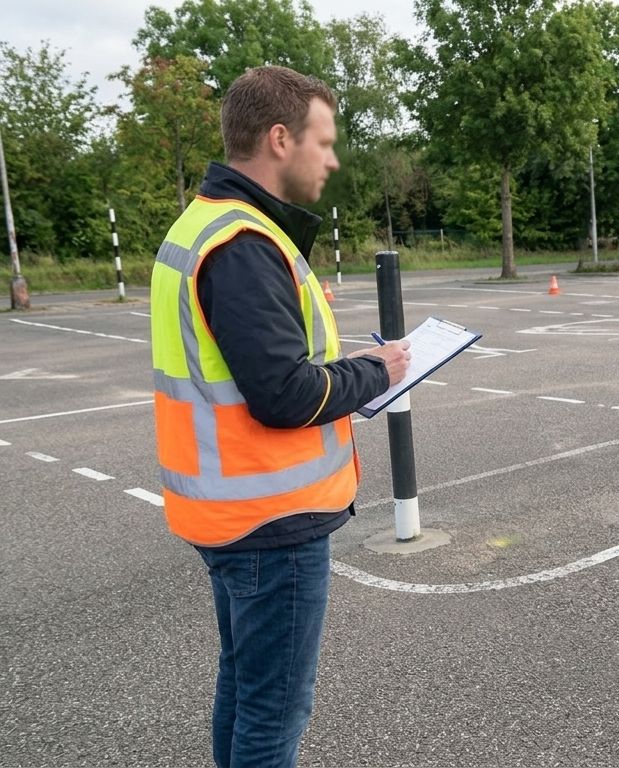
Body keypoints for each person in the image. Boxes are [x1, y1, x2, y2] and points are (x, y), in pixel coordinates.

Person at [148, 65, 410, 767]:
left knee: (244, 688)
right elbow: (283, 394)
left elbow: (266, 369)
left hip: (230, 512)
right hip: (270, 519)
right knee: (274, 715)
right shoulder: (244, 244)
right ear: (278, 139)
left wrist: (344, 370)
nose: (331, 159)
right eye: (323, 143)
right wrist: (375, 371)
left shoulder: (206, 225)